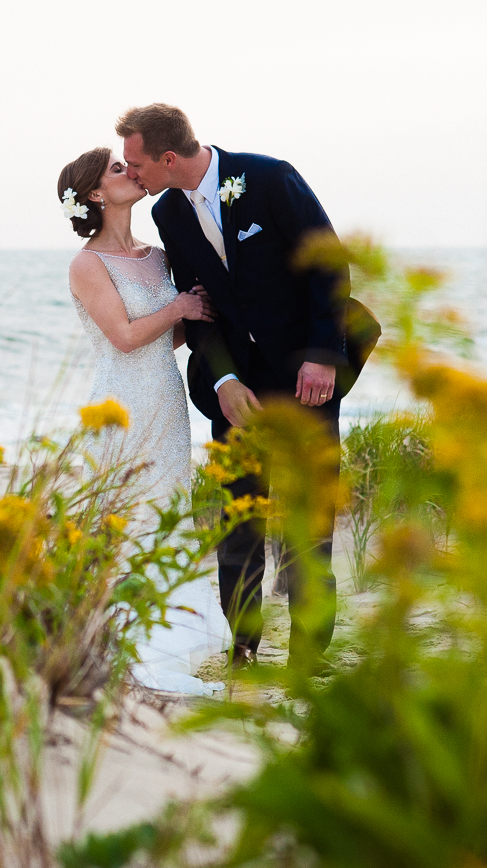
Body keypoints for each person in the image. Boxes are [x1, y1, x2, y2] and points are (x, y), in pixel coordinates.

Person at [116, 103, 349, 671]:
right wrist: (221, 378)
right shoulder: (169, 213)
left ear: (168, 158)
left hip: (306, 383)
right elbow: (200, 308)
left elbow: (329, 266)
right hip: (237, 393)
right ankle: (242, 646)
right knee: (239, 520)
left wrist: (322, 356)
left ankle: (308, 657)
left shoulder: (270, 177)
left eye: (136, 163)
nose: (132, 174)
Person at [58, 146, 232, 695]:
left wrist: (198, 313)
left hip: (166, 397)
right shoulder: (87, 264)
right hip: (120, 403)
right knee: (124, 516)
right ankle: (112, 641)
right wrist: (179, 309)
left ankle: (157, 639)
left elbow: (165, 336)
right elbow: (125, 336)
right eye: (117, 169)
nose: (130, 173)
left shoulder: (156, 256)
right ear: (93, 194)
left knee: (165, 510)